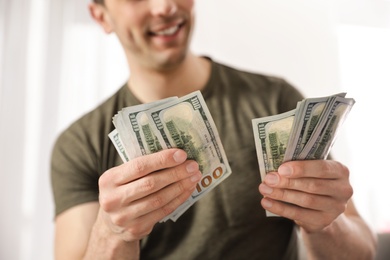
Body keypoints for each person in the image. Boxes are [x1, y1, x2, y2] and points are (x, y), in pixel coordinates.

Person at [50, 0, 378, 259]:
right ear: (101, 17)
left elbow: (362, 251)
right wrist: (112, 232)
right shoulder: (80, 145)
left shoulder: (275, 99)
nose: (164, 6)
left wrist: (326, 224)